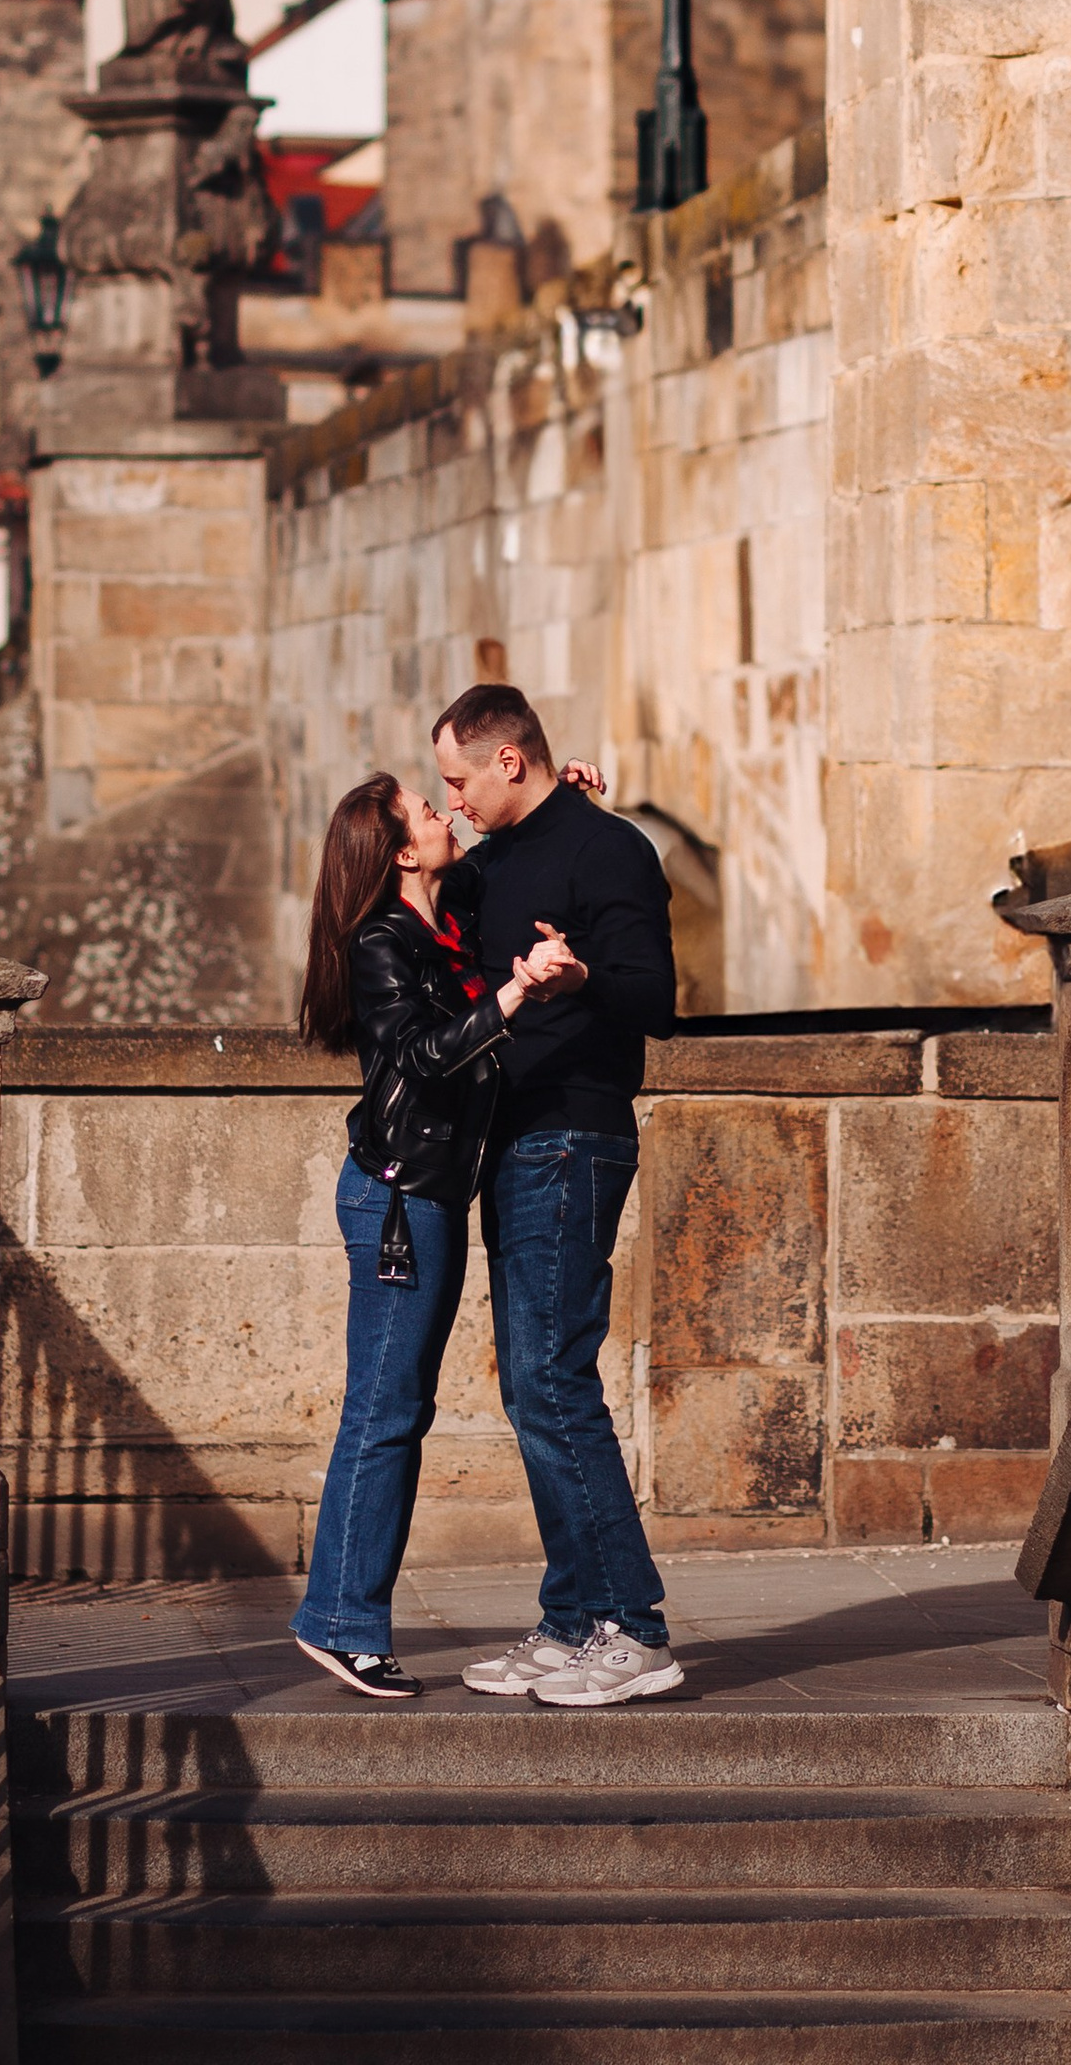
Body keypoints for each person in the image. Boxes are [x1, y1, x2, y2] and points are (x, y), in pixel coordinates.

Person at [291, 768, 582, 1697]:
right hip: (398, 1202)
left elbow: (510, 840)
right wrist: (512, 997)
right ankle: (340, 1621)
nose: (445, 811)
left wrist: (561, 793)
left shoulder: (443, 921)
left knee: (398, 1413)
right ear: (401, 853)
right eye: (427, 810)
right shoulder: (383, 941)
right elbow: (419, 1054)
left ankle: (345, 1614)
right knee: (383, 1415)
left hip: (431, 1194)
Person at [433, 680, 685, 1710]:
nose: (449, 801)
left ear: (506, 758)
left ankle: (633, 1629)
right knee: (532, 1386)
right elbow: (428, 902)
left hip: (574, 1138)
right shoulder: (492, 862)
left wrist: (579, 982)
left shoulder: (609, 850)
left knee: (554, 1381)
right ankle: (574, 1619)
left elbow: (657, 1000)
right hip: (513, 1140)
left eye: (457, 780)